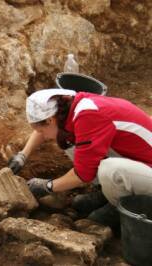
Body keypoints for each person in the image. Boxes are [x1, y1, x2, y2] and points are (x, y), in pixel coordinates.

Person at [8, 88, 152, 228]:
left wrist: (48, 186)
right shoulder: (73, 107)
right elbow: (43, 127)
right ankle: (105, 192)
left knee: (109, 169)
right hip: (140, 162)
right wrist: (22, 155)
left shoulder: (89, 117)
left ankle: (118, 209)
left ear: (51, 120)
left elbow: (83, 174)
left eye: (41, 131)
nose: (43, 136)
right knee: (69, 142)